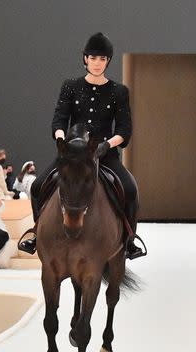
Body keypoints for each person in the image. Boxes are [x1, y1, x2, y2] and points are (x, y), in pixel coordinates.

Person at [23, 32, 143, 259]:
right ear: (85, 59)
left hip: (104, 154)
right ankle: (36, 233)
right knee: (38, 186)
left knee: (130, 189)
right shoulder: (70, 86)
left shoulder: (119, 91)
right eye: (93, 58)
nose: (97, 63)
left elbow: (124, 130)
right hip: (72, 154)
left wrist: (106, 146)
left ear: (108, 61)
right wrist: (61, 141)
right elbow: (59, 119)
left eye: (102, 59)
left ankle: (129, 241)